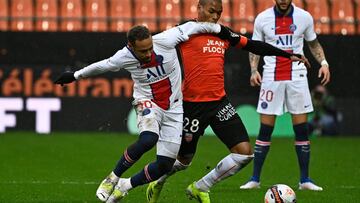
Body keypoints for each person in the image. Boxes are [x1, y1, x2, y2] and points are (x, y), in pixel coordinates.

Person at [146, 0, 310, 202]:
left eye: (219, 12)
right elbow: (154, 48)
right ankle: (158, 181)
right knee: (184, 160)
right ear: (199, 8)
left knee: (244, 154)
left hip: (219, 103)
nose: (215, 16)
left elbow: (253, 45)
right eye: (211, 11)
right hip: (192, 106)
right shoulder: (184, 31)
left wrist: (287, 55)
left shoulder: (223, 33)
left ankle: (201, 186)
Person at [53, 21, 228, 203]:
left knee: (164, 165)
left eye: (150, 48)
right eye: (142, 51)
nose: (148, 54)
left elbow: (194, 26)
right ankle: (112, 178)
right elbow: (104, 65)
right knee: (148, 139)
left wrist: (220, 30)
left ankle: (125, 185)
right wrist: (75, 76)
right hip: (148, 102)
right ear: (131, 46)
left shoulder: (167, 39)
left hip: (175, 108)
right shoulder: (124, 56)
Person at [239, 0, 330, 191]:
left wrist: (324, 64)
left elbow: (313, 43)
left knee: (301, 130)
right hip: (271, 77)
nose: (282, 0)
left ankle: (305, 180)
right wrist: (254, 69)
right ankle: (254, 179)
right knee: (265, 130)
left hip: (297, 77)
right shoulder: (262, 18)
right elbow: (255, 46)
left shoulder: (304, 17)